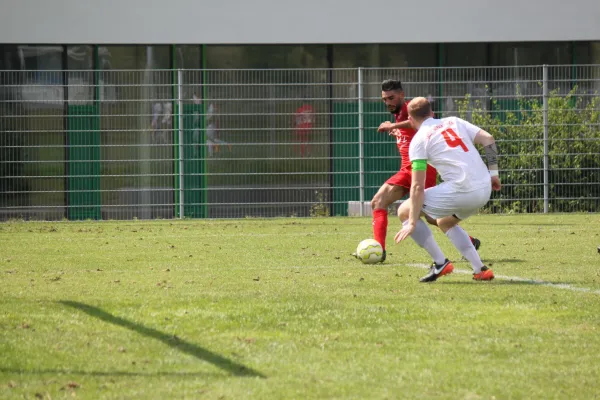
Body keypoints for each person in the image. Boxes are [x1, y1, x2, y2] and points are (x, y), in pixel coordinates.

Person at [394, 97, 501, 282]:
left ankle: (440, 263)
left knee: (404, 211)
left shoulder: (418, 140)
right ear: (432, 113)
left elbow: (417, 186)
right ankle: (480, 270)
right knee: (445, 222)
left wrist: (411, 221)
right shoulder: (454, 121)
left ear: (410, 120)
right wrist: (494, 174)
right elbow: (488, 139)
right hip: (484, 189)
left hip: (462, 191)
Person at [372, 79, 480, 262]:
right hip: (407, 170)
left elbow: (424, 122)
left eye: (391, 98)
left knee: (432, 216)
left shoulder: (410, 109)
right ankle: (378, 250)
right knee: (378, 202)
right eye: (384, 99)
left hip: (421, 170)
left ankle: (467, 243)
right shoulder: (399, 115)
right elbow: (410, 131)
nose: (388, 102)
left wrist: (393, 126)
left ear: (401, 95)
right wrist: (397, 131)